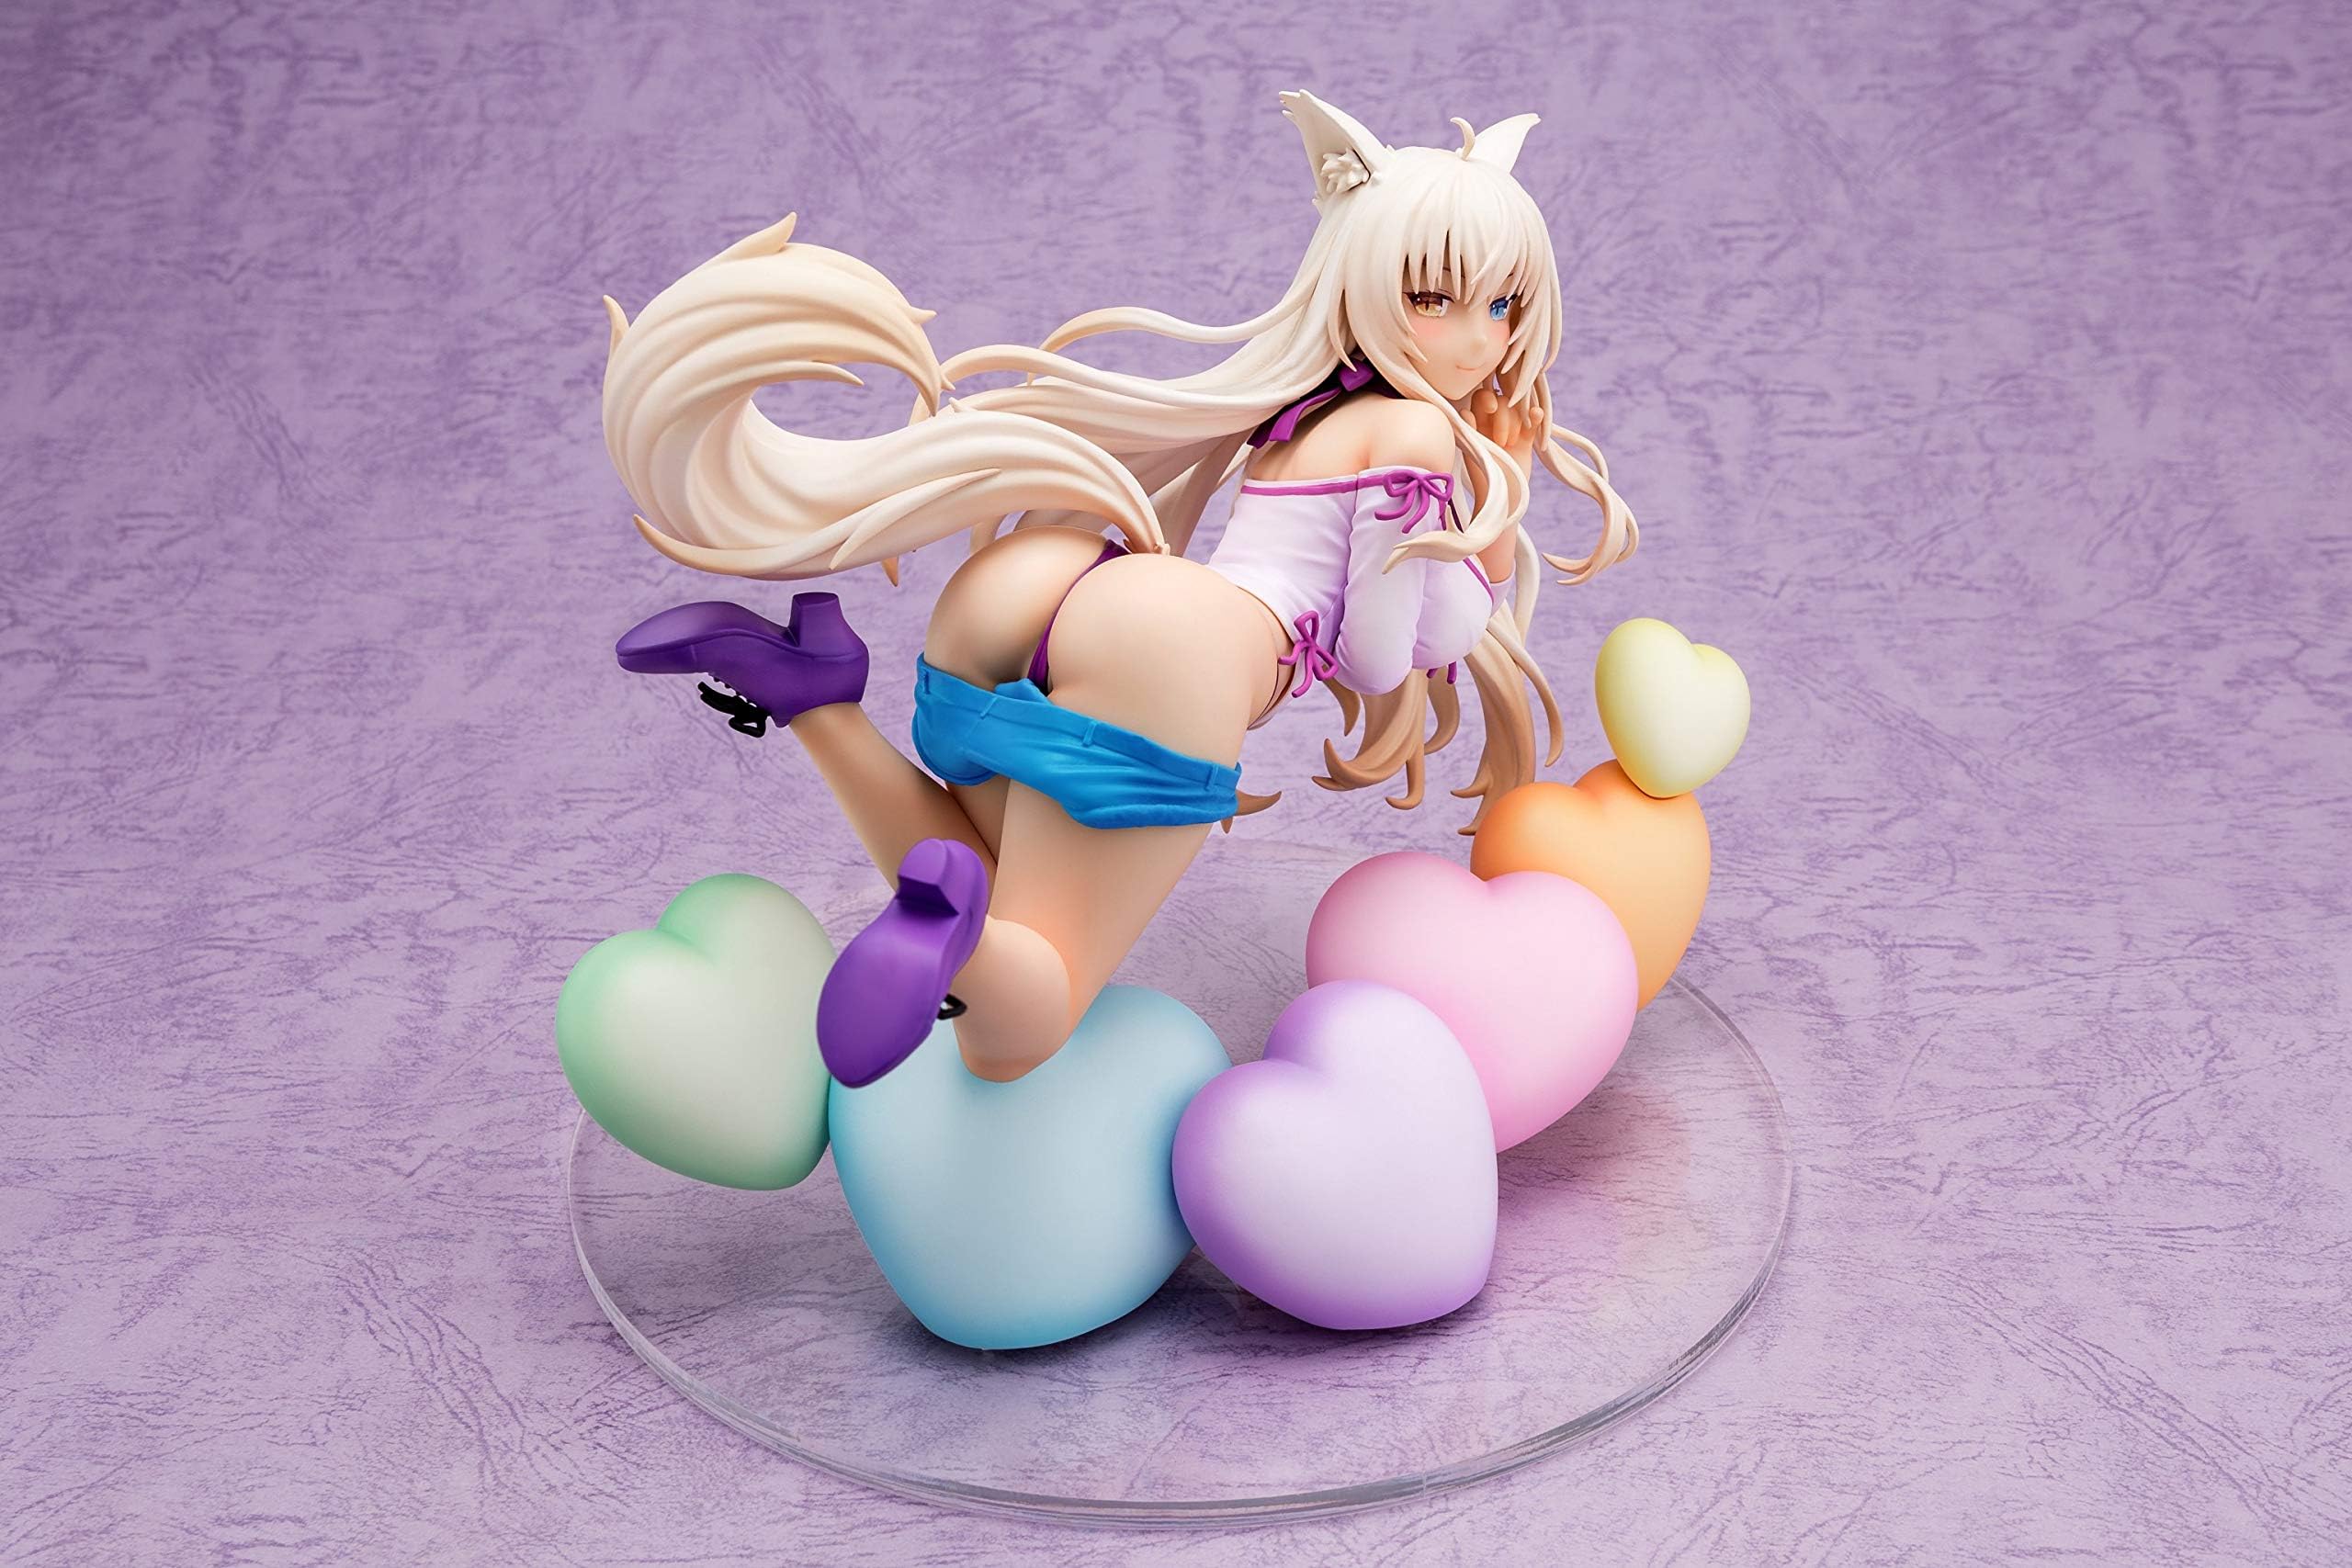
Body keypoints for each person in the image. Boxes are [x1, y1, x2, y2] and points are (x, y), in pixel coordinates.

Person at [599, 89, 1638, 1089]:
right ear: (1362, 283)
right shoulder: (1412, 433)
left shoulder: (1301, 412)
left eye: (1503, 304)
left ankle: (813, 693)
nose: (1481, 339)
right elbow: (1378, 654)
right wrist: (1492, 518)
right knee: (1021, 1028)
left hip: (1049, 587)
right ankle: (950, 937)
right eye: (1432, 298)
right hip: (1180, 648)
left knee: (995, 877)